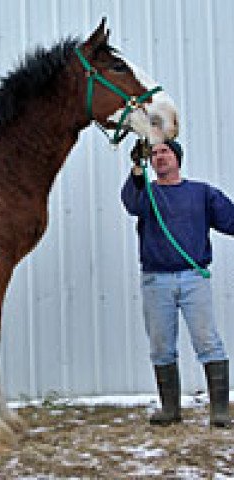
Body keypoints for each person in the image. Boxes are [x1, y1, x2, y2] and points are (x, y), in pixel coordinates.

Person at [121, 139, 233, 428]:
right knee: (161, 347)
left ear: (177, 158)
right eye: (154, 153)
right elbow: (131, 204)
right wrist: (136, 169)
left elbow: (230, 220)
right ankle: (170, 411)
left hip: (194, 278)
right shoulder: (147, 194)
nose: (159, 157)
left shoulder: (202, 193)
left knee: (208, 343)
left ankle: (219, 411)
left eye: (165, 152)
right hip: (156, 281)